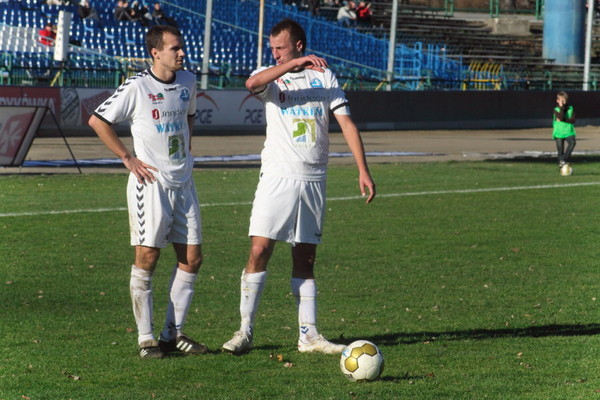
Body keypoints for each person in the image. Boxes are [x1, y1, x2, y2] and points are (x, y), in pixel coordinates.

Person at [222, 18, 376, 356]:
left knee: (305, 258)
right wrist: (291, 64)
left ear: (299, 45)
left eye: (281, 48)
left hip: (314, 178)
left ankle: (309, 336)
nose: (275, 53)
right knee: (260, 250)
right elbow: (251, 83)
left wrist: (363, 170)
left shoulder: (325, 76)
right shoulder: (272, 76)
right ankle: (245, 330)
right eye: (272, 48)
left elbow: (346, 124)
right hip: (278, 176)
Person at [88, 25, 207, 359]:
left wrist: (185, 150)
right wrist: (127, 158)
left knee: (192, 258)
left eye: (182, 47)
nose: (182, 53)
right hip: (151, 184)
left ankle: (172, 334)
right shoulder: (137, 86)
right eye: (175, 48)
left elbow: (189, 116)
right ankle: (146, 339)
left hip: (184, 181)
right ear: (155, 52)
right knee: (147, 257)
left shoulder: (188, 81)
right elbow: (98, 120)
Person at [552, 91, 576, 170]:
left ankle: (564, 158)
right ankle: (562, 167)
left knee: (572, 142)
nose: (563, 102)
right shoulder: (556, 109)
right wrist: (561, 107)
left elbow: (572, 120)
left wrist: (564, 120)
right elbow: (561, 116)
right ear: (557, 101)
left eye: (564, 100)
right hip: (559, 132)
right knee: (560, 150)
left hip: (569, 131)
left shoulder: (571, 108)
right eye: (561, 100)